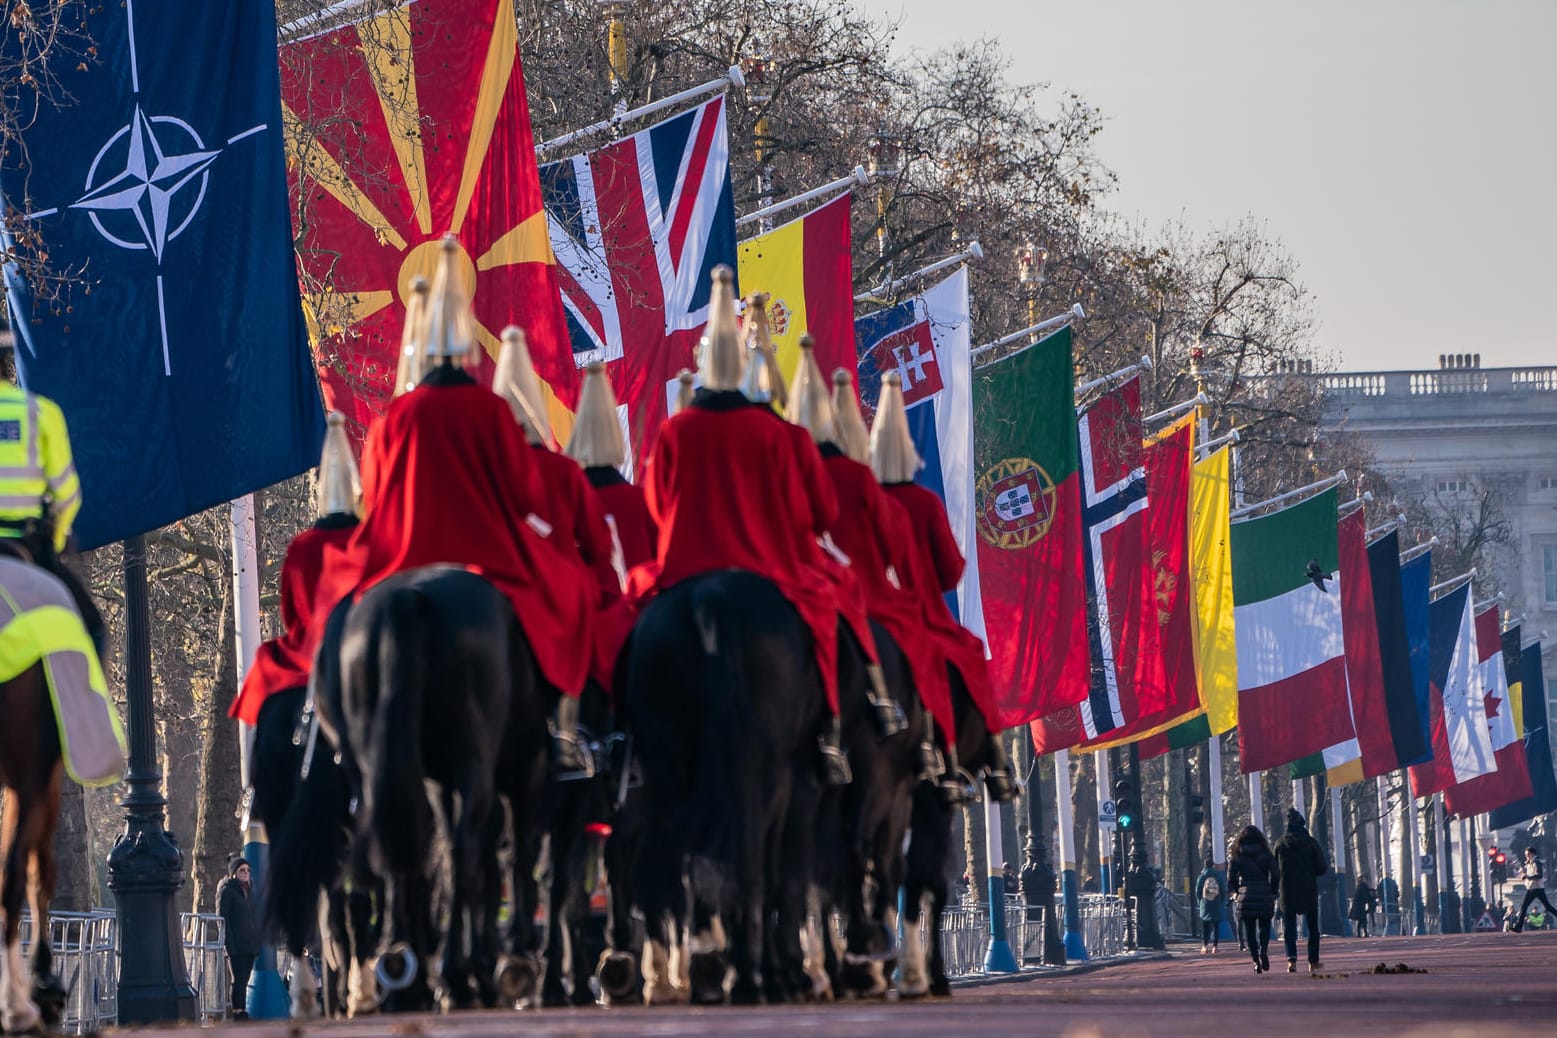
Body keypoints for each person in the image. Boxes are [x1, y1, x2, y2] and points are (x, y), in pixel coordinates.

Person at [307, 236, 594, 775]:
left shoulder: (394, 417)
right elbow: (524, 493)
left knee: (333, 614)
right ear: (464, 342)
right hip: (486, 558)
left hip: (402, 555)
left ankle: (331, 729)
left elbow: (375, 491)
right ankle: (559, 727)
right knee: (570, 593)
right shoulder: (488, 409)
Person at [639, 266, 854, 784]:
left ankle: (620, 745)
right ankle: (831, 732)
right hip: (769, 576)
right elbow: (823, 514)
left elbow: (654, 508)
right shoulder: (782, 436)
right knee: (832, 627)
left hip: (684, 577)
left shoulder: (674, 431)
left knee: (628, 636)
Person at [871, 372, 1017, 801]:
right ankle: (991, 762)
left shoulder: (865, 499)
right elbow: (951, 574)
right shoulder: (923, 504)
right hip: (919, 615)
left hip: (867, 609)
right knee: (969, 655)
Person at [229, 412, 361, 728]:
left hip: (311, 647)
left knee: (265, 668)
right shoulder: (370, 539)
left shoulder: (303, 547)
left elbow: (291, 612)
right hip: (361, 639)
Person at [0, 350, 105, 658]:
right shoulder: (39, 413)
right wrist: (54, 543)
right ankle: (84, 706)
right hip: (26, 544)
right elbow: (67, 495)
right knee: (92, 629)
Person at [1273, 808, 1329, 972]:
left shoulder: (1280, 844)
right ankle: (1313, 961)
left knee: (1289, 927)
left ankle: (1292, 960)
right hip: (1308, 889)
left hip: (1287, 890)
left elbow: (1274, 868)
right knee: (1313, 928)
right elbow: (1322, 867)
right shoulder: (1311, 843)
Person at [1228, 825, 1277, 973]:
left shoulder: (1237, 856)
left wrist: (1238, 891)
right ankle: (1264, 950)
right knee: (1265, 925)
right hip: (1263, 892)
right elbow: (1275, 874)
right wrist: (1273, 890)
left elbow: (1231, 878)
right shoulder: (1266, 854)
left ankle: (1255, 960)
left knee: (1249, 929)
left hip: (1246, 894)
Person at [217, 856, 257, 1018]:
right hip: (236, 944)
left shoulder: (250, 891)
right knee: (237, 980)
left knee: (244, 979)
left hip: (249, 944)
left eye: (248, 870)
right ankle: (237, 1012)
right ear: (233, 873)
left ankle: (242, 1010)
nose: (246, 873)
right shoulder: (227, 891)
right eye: (242, 870)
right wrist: (229, 945)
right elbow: (223, 919)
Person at [1511, 846, 1556, 932]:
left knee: (1525, 907)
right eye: (1526, 854)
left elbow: (1539, 875)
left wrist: (1527, 876)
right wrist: (1523, 875)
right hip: (1532, 888)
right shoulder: (1529, 863)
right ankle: (1518, 927)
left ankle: (1518, 927)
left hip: (1537, 888)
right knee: (1547, 907)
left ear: (1532, 854)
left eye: (1528, 854)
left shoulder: (1536, 863)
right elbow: (1527, 875)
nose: (1526, 856)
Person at [1195, 855, 1224, 955]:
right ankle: (1215, 946)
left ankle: (1204, 946)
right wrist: (1222, 901)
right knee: (1216, 926)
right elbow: (1223, 889)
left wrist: (1200, 902)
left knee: (1205, 926)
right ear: (1213, 865)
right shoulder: (1218, 876)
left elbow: (1197, 891)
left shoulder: (1202, 876)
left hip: (1205, 903)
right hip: (1216, 903)